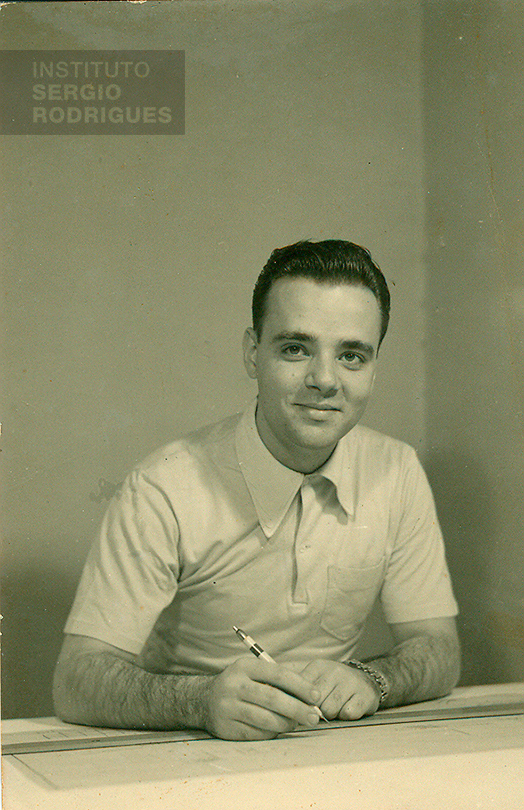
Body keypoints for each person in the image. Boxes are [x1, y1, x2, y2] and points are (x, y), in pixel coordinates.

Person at [53, 239, 460, 741]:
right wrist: (202, 702)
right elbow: (76, 679)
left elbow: (439, 648)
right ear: (253, 353)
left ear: (374, 366)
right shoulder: (163, 486)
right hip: (187, 747)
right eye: (295, 348)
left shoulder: (397, 470)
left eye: (352, 356)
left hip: (323, 743)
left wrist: (372, 679)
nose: (324, 380)